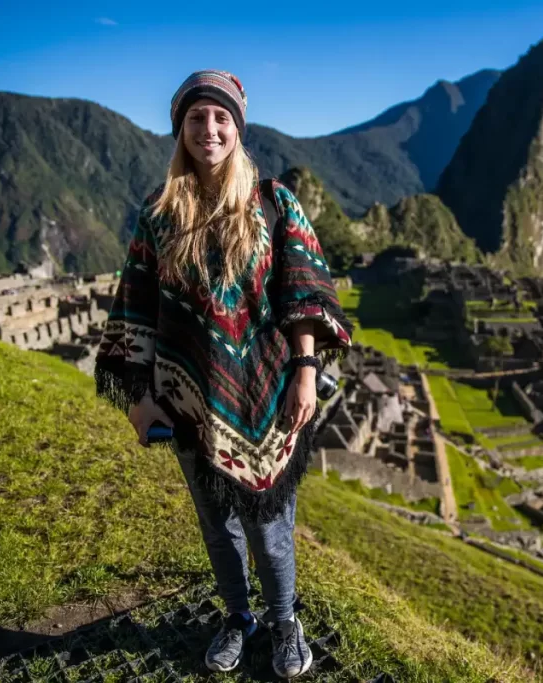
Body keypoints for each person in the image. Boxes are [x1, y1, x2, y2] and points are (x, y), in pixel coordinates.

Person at [94, 70, 352, 679]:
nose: (208, 129)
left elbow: (305, 294)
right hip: (191, 399)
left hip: (269, 396)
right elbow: (136, 306)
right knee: (218, 527)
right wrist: (138, 398)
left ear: (237, 127)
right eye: (195, 119)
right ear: (180, 130)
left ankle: (285, 621)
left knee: (270, 532)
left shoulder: (273, 202)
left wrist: (306, 372)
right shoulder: (159, 216)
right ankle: (239, 617)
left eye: (220, 118)